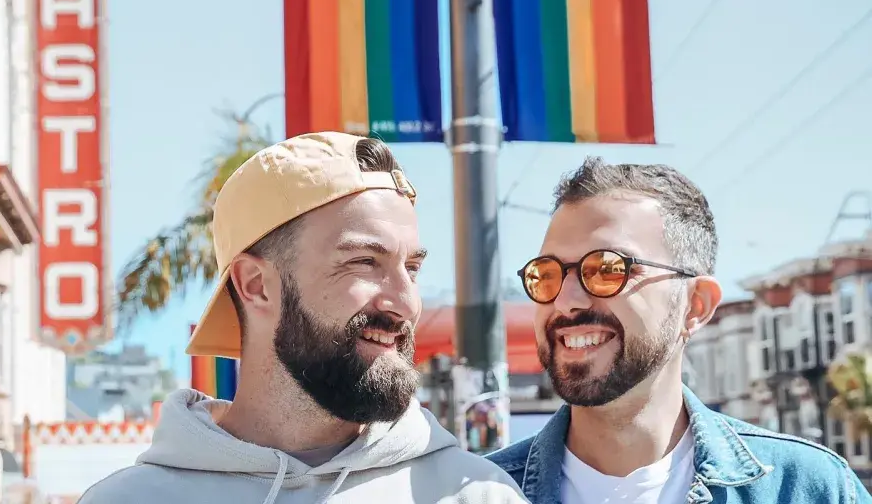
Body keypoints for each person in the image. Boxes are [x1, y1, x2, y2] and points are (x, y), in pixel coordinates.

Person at [80, 132, 526, 504]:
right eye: (364, 262)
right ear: (256, 284)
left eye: (411, 268)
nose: (406, 303)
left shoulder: (477, 495)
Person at [487, 157, 871, 504]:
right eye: (546, 274)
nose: (565, 301)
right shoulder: (478, 493)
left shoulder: (807, 488)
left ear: (696, 305)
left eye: (607, 269)